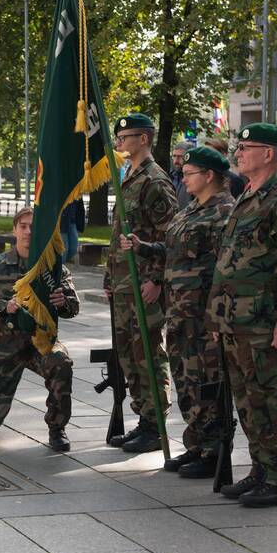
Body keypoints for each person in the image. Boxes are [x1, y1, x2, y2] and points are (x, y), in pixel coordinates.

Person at [208, 123, 277, 507]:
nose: (239, 153)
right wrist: (218, 319)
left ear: (269, 153)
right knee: (248, 401)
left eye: (247, 147)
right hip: (236, 321)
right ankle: (260, 469)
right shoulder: (248, 194)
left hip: (265, 322)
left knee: (271, 399)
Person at [126, 147, 235, 477]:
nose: (183, 178)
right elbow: (173, 250)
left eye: (189, 174)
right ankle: (196, 443)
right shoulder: (191, 209)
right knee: (186, 379)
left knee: (206, 380)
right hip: (180, 311)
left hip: (203, 314)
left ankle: (215, 449)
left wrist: (218, 315)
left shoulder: (224, 212)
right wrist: (141, 247)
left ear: (209, 176)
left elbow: (225, 268)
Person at [0, 208, 78, 451]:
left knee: (61, 364)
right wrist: (4, 306)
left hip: (40, 341)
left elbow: (73, 308)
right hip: (4, 347)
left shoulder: (53, 269)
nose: (28, 232)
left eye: (34, 227)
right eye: (23, 226)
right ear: (14, 230)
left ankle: (57, 427)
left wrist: (64, 302)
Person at [104, 113, 177, 454]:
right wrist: (109, 276)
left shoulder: (155, 181)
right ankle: (144, 418)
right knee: (128, 353)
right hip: (123, 281)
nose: (119, 142)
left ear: (144, 139)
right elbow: (120, 231)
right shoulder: (128, 175)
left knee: (147, 352)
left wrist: (157, 280)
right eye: (119, 136)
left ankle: (156, 422)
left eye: (126, 136)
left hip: (144, 282)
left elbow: (169, 236)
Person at [59, 198, 86, 264]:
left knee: (73, 249)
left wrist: (80, 225)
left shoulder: (76, 191)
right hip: (61, 222)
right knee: (64, 250)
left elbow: (80, 208)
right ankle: (60, 269)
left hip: (72, 222)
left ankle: (59, 265)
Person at [170, 141, 194, 208]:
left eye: (180, 157)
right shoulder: (171, 177)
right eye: (174, 156)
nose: (176, 161)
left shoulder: (196, 180)